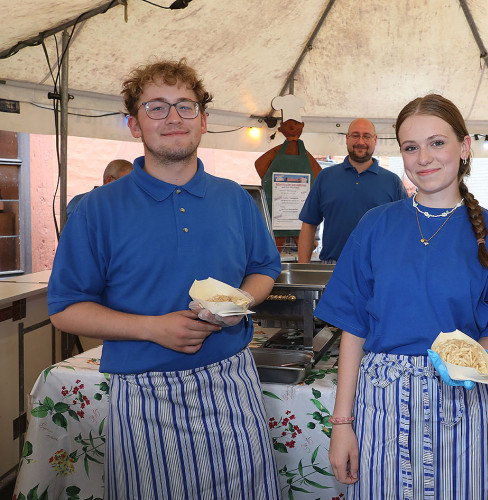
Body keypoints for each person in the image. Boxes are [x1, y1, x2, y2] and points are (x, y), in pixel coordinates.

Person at [47, 59, 282, 499]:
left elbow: (264, 268)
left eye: (185, 106)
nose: (173, 118)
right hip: (143, 392)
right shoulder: (97, 210)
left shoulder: (236, 199)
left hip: (232, 382)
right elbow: (65, 309)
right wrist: (152, 328)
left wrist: (239, 305)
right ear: (135, 125)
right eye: (155, 107)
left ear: (204, 121)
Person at [314, 94, 488, 498]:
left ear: (464, 147)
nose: (424, 157)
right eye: (411, 147)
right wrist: (341, 425)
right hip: (381, 405)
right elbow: (353, 326)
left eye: (437, 143)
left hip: (462, 404)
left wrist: (475, 358)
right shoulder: (375, 225)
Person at [297, 118, 407, 263]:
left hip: (377, 267)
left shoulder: (392, 182)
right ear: (347, 139)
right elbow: (309, 224)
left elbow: (405, 229)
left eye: (366, 136)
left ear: (375, 140)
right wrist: (303, 269)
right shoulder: (325, 177)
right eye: (355, 135)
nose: (360, 141)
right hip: (333, 267)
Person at [254, 118, 322, 253]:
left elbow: (318, 175)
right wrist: (269, 181)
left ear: (302, 126)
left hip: (300, 231)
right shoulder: (276, 152)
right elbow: (259, 165)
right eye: (289, 125)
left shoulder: (305, 155)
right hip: (276, 232)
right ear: (280, 129)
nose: (293, 128)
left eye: (296, 125)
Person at [66, 159, 133, 217]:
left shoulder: (126, 206)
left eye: (131, 185)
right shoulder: (80, 203)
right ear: (108, 180)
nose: (128, 190)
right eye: (124, 184)